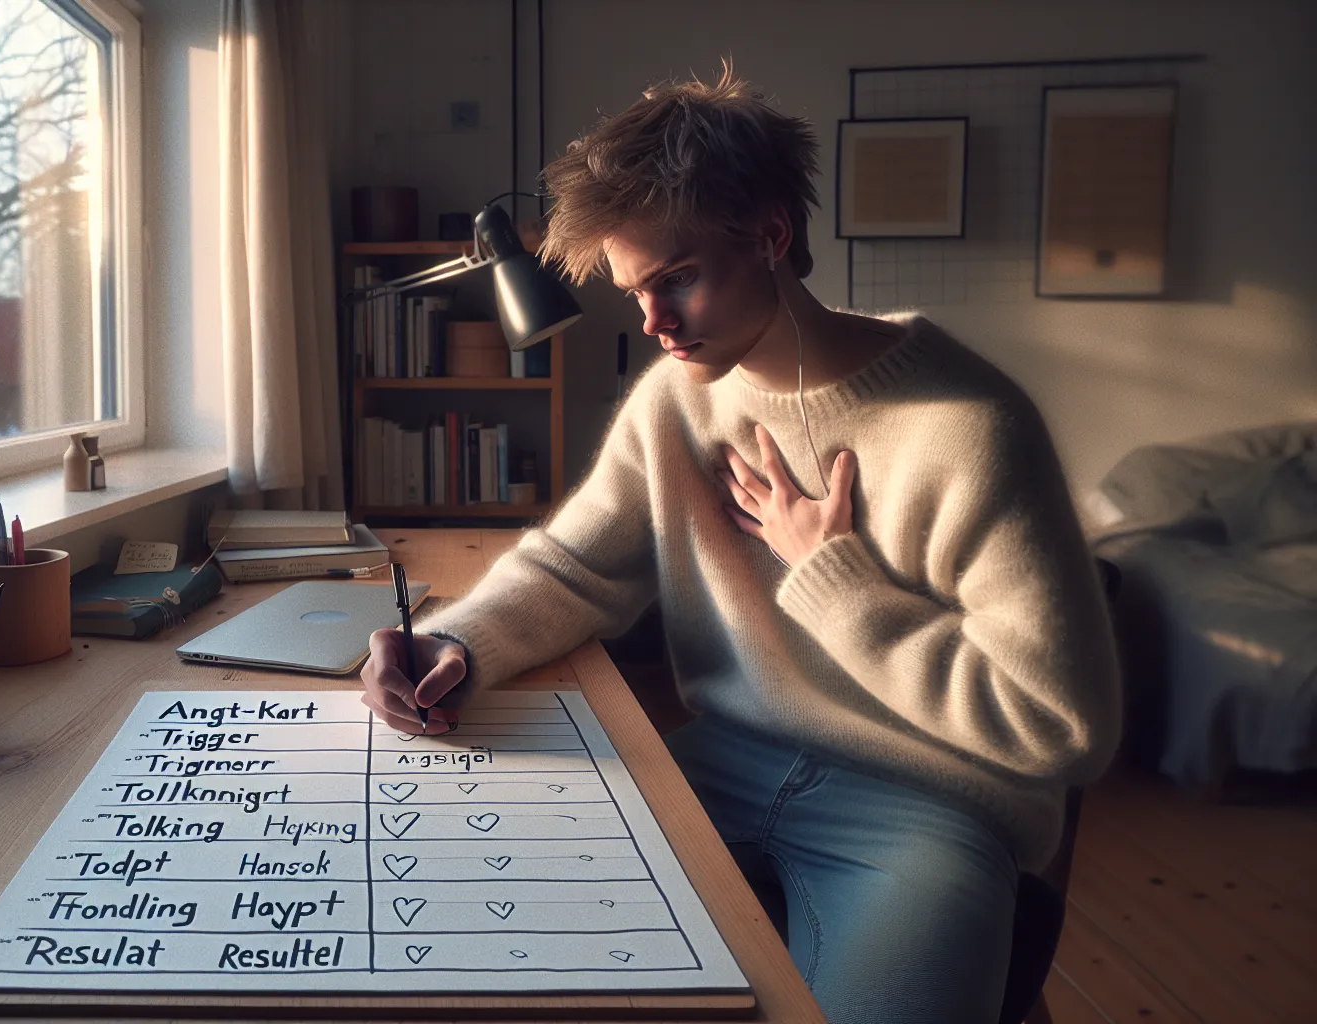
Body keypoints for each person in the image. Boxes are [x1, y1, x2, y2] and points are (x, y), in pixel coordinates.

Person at [359, 67, 1122, 1024]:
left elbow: (1062, 722)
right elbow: (576, 566)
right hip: (716, 765)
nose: (654, 323)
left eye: (676, 279)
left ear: (770, 235)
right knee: (488, 958)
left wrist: (837, 583)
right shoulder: (677, 402)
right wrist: (454, 642)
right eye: (636, 292)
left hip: (927, 803)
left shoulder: (968, 425)